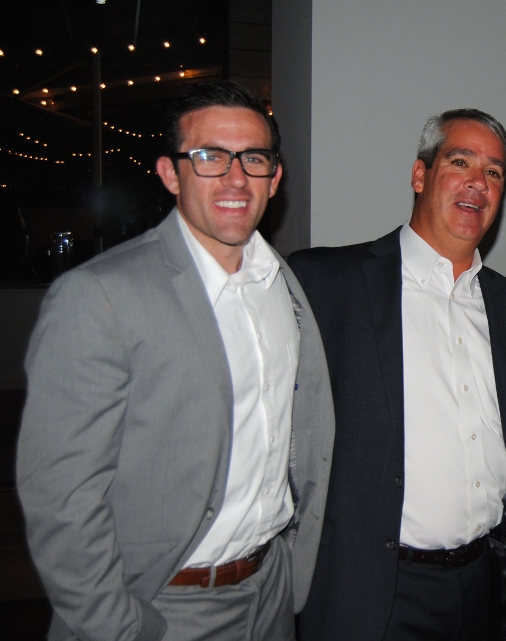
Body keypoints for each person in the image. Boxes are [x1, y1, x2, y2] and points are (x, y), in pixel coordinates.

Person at [17, 79, 335, 641]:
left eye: (254, 158)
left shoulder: (283, 285)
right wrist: (121, 626)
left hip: (270, 593)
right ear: (170, 173)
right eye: (210, 157)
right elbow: (61, 497)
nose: (235, 178)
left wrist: (286, 576)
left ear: (274, 177)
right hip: (162, 604)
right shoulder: (99, 295)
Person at [289, 109, 506, 641]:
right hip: (373, 591)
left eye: (494, 172)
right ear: (420, 175)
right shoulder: (327, 284)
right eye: (460, 162)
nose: (478, 182)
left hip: (484, 587)